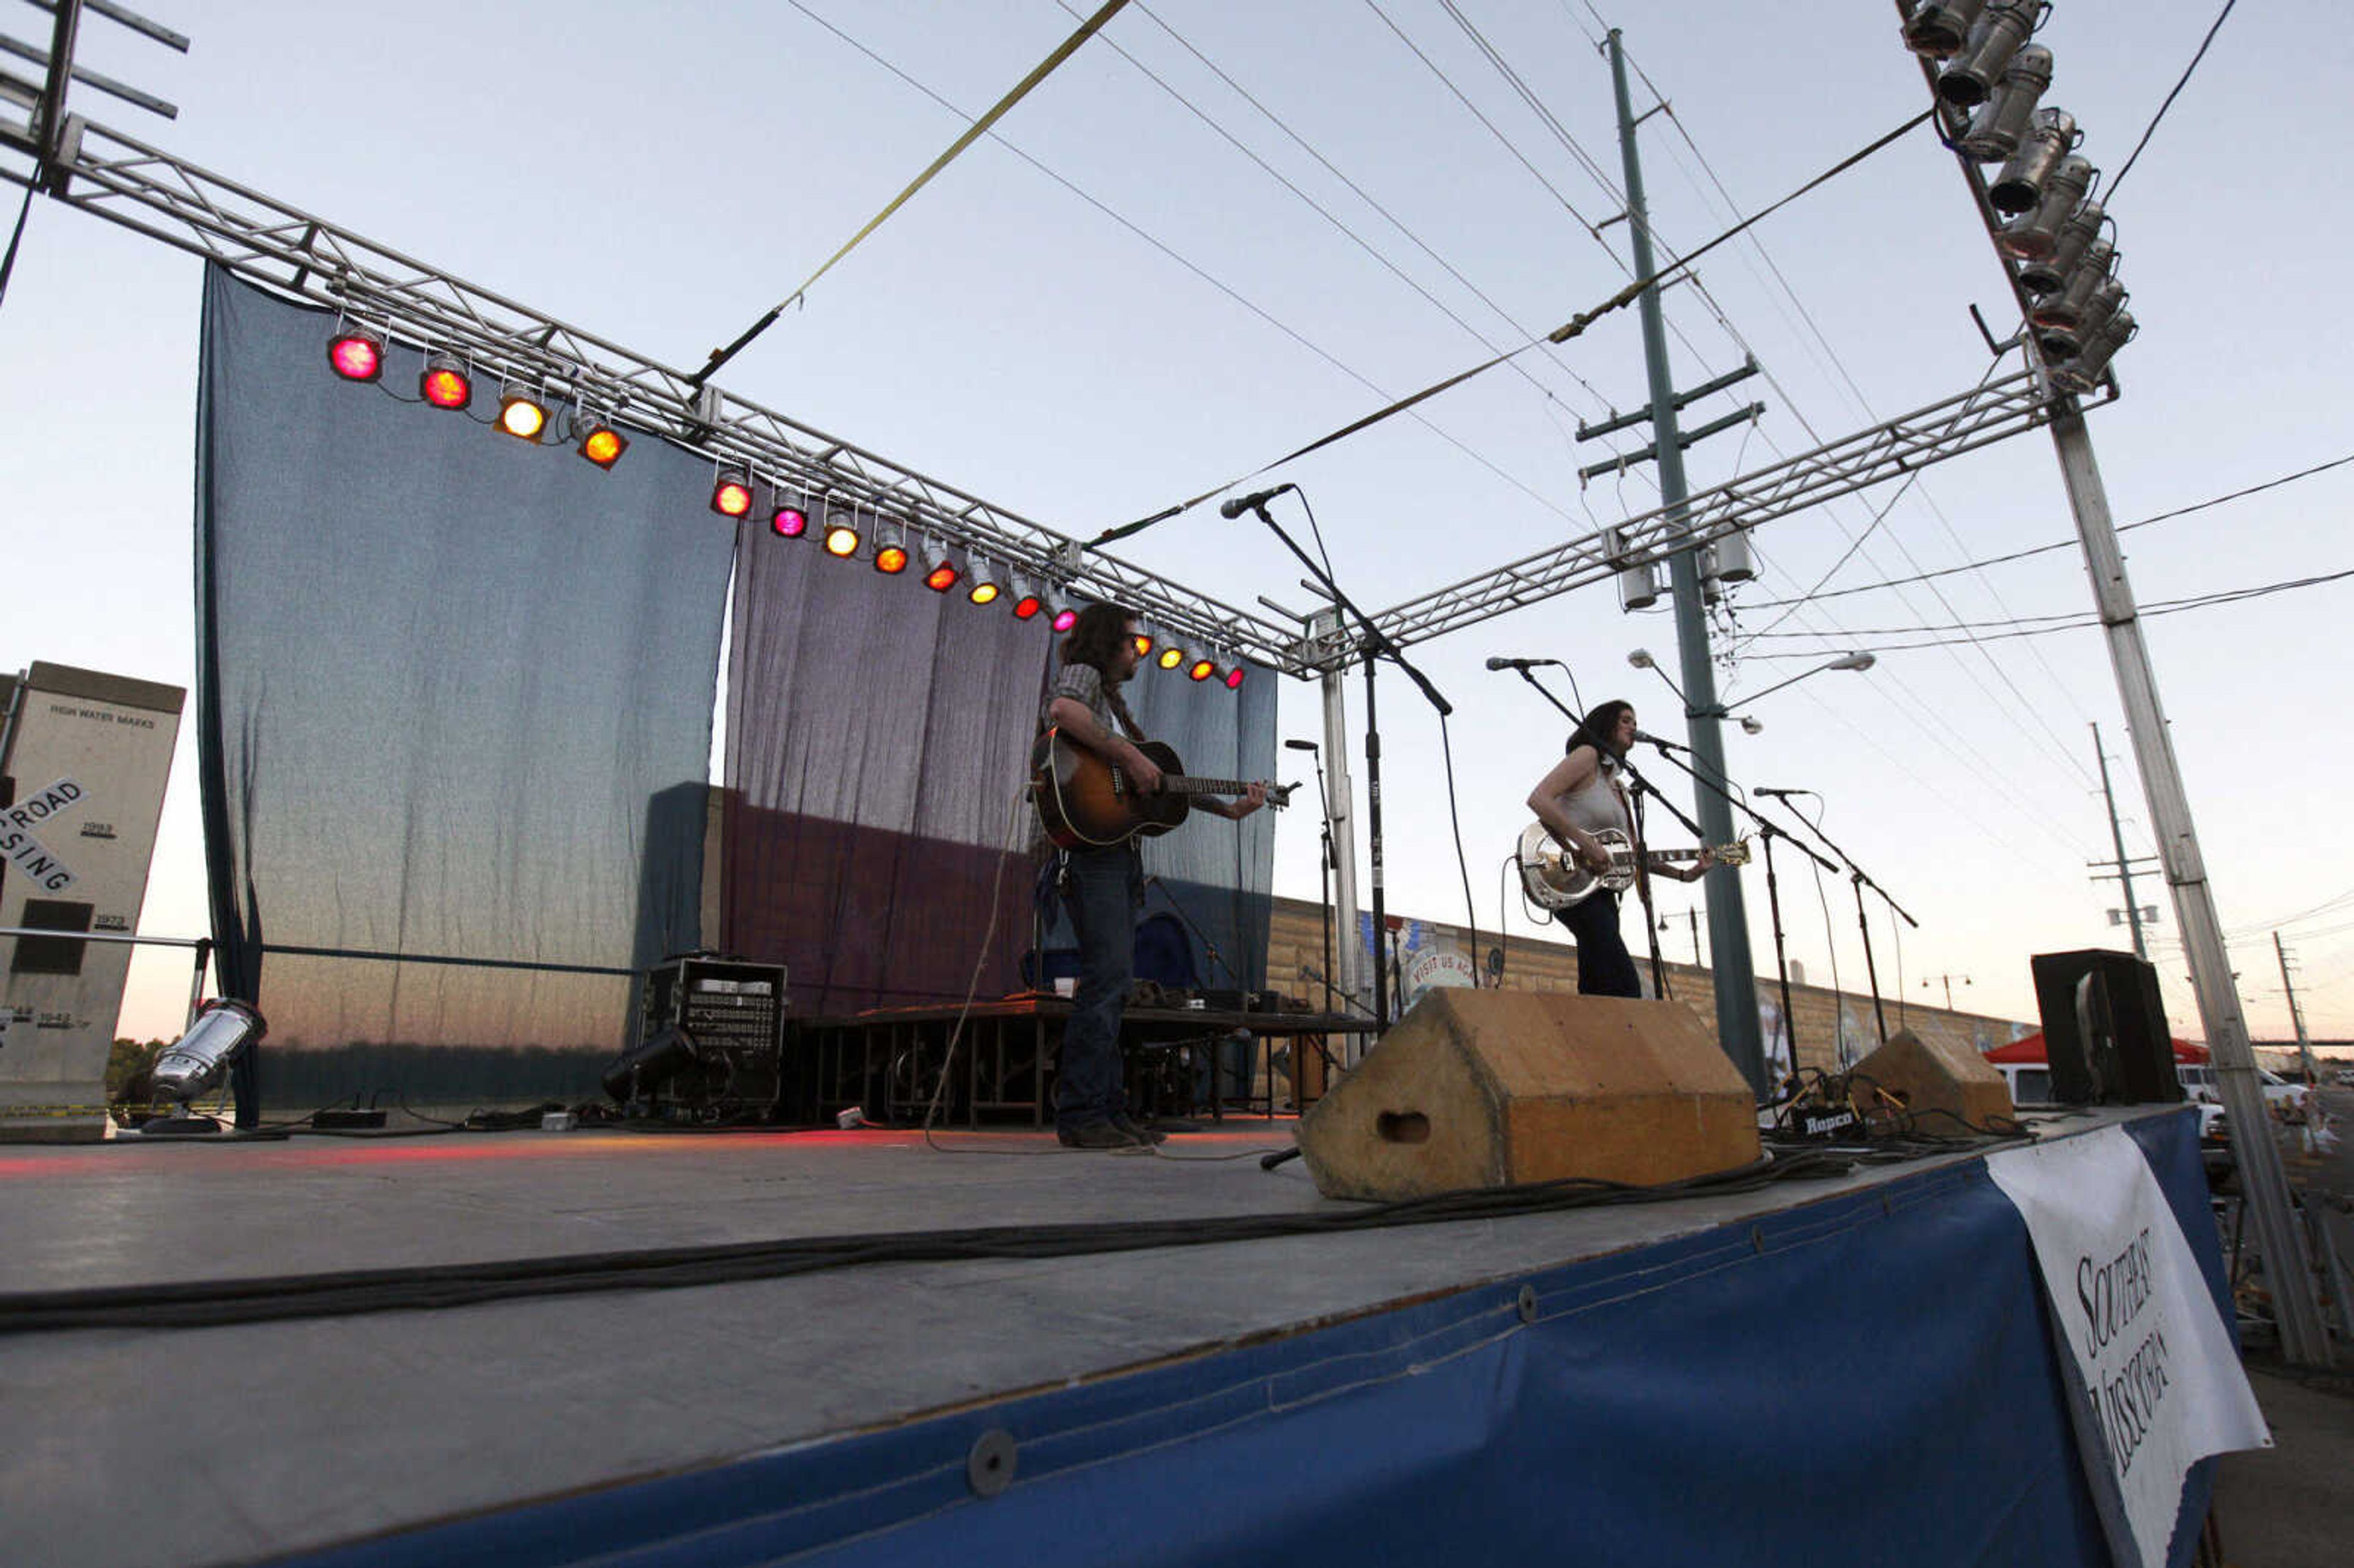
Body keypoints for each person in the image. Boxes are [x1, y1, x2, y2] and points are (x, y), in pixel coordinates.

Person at [1040, 603, 1266, 1149]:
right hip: (1093, 854)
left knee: (1114, 985)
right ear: (1108, 642)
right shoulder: (1085, 677)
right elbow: (1063, 712)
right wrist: (1127, 754)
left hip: (1116, 853)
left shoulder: (1115, 710)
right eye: (1133, 641)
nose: (1140, 650)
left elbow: (1161, 785)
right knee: (1106, 982)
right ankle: (1082, 1116)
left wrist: (1232, 809)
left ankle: (1109, 1110)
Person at [1524, 699, 1709, 997]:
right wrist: (1585, 843)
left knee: (1598, 980)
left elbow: (1633, 853)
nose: (1633, 727)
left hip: (1605, 890)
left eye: (1635, 722)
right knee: (1623, 982)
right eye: (1625, 720)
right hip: (1568, 877)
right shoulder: (1587, 757)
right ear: (1606, 723)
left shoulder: (1620, 788)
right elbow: (1539, 799)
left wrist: (1686, 874)